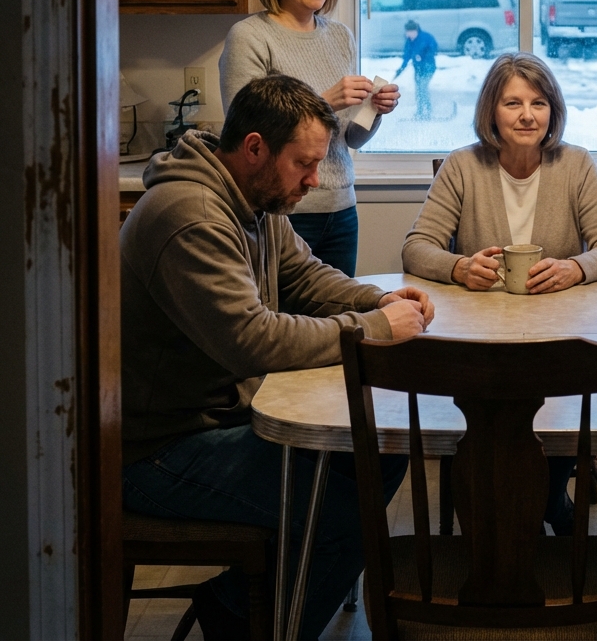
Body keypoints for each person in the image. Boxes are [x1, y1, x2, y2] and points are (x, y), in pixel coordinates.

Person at [121, 75, 435, 641]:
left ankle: (241, 602)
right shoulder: (190, 215)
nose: (314, 181)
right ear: (255, 148)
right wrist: (372, 328)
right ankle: (244, 622)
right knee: (348, 520)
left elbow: (305, 275)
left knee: (380, 450)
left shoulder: (252, 199)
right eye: (303, 165)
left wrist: (379, 299)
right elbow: (253, 340)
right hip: (158, 451)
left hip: (218, 420)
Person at [402, 51, 597, 534]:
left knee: (560, 407)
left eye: (539, 103)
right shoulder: (464, 165)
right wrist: (459, 266)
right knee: (492, 418)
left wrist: (575, 268)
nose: (527, 115)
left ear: (553, 111)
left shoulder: (576, 163)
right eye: (513, 103)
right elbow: (416, 248)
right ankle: (518, 509)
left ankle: (541, 502)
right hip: (479, 336)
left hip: (559, 332)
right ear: (491, 111)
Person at [220, 0, 399, 279]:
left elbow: (349, 137)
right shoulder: (251, 36)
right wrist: (324, 102)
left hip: (341, 208)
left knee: (337, 318)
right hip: (283, 210)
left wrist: (374, 111)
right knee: (284, 325)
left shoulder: (340, 37)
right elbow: (246, 133)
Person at [395, 19, 438, 120]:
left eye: (411, 32)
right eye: (408, 33)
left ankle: (427, 111)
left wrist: (422, 57)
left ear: (416, 30)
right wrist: (400, 70)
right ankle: (420, 111)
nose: (410, 35)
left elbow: (433, 49)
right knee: (418, 90)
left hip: (428, 68)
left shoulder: (426, 38)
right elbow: (406, 57)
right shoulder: (409, 42)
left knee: (423, 88)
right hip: (418, 69)